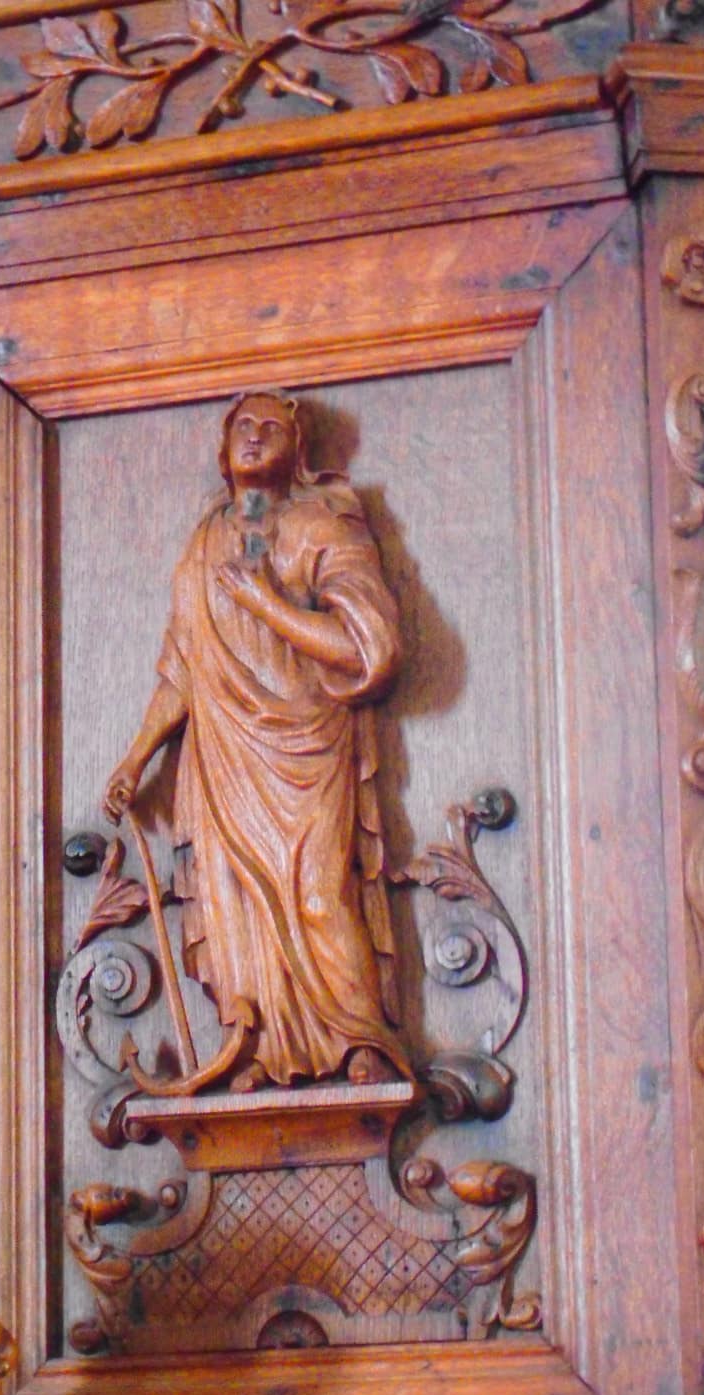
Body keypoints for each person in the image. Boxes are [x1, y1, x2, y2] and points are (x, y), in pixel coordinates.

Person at [104, 391, 412, 1089]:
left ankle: (359, 1040)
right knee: (232, 900)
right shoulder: (204, 543)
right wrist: (135, 759)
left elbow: (369, 647)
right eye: (243, 425)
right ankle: (259, 1048)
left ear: (297, 450)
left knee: (319, 894)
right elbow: (183, 667)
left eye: (272, 427)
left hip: (304, 744)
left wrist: (268, 604)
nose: (254, 436)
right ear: (224, 447)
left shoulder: (320, 527)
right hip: (223, 752)